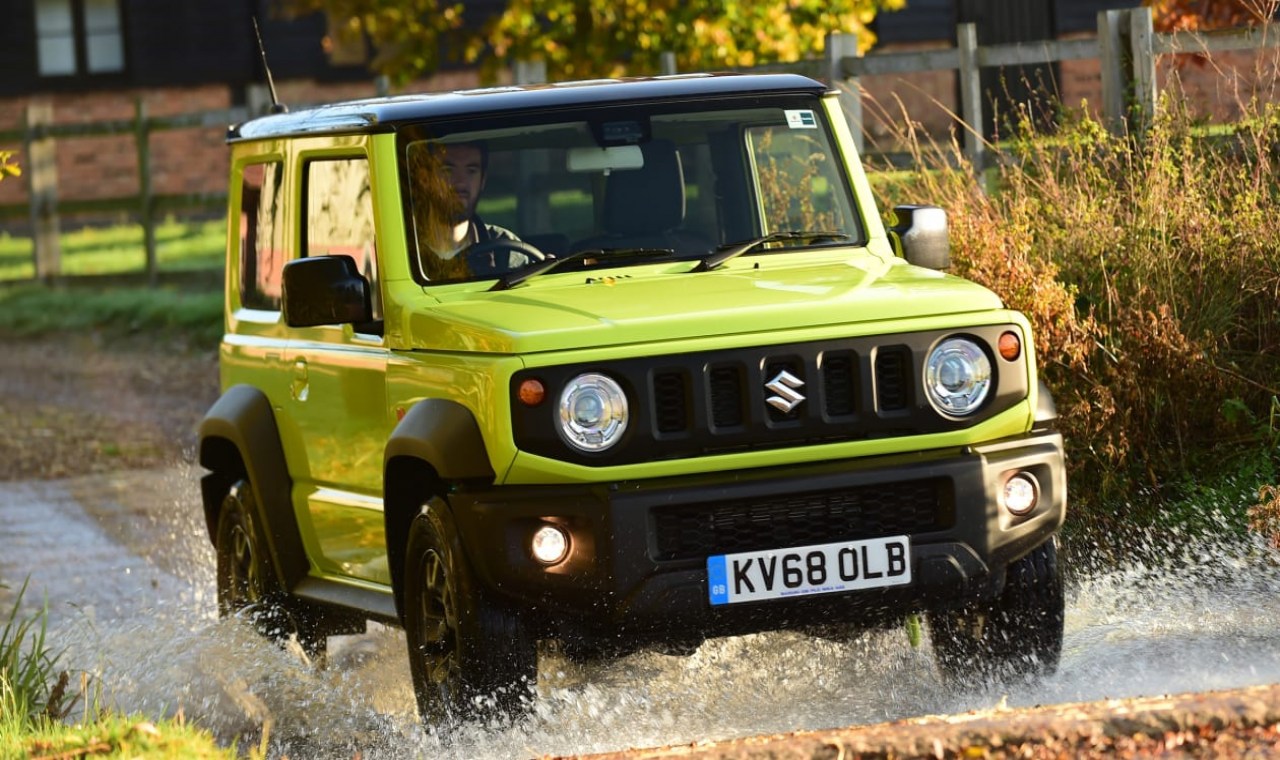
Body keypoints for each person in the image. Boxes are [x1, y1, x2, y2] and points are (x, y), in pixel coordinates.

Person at [412, 140, 523, 281]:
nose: (461, 182)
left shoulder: (507, 251)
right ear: (424, 179)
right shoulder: (402, 251)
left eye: (471, 171)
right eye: (448, 170)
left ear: (482, 180)